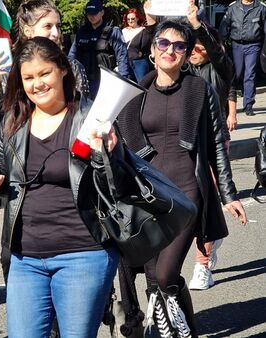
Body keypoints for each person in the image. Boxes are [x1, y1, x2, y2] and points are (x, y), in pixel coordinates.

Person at [0, 36, 122, 337]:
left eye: (44, 73)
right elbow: (7, 179)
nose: (37, 84)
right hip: (25, 258)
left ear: (62, 71)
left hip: (83, 254)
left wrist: (111, 153)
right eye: (28, 77)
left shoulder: (89, 118)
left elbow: (116, 186)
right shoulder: (13, 121)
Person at [117, 20, 247, 338]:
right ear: (152, 50)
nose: (170, 50)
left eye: (179, 46)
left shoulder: (199, 91)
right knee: (154, 280)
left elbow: (216, 143)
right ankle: (180, 329)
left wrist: (228, 194)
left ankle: (175, 328)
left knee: (163, 276)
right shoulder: (134, 95)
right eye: (163, 43)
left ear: (187, 54)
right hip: (147, 199)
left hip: (186, 196)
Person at [187, 3, 237, 291]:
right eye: (189, 46)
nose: (193, 50)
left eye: (198, 45)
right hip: (186, 145)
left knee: (206, 203)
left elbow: (216, 52)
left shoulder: (220, 68)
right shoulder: (183, 71)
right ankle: (212, 239)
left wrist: (197, 26)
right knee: (191, 205)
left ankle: (202, 264)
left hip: (214, 144)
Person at [0, 0, 89, 129]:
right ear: (28, 30)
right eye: (48, 26)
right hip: (24, 145)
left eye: (58, 26)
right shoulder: (11, 68)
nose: (56, 33)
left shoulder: (71, 66)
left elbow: (84, 115)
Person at [68, 0, 130, 99]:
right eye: (89, 14)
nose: (91, 16)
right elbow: (72, 55)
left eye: (94, 13)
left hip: (106, 81)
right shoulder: (82, 32)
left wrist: (124, 81)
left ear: (102, 13)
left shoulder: (113, 31)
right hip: (85, 81)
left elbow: (122, 57)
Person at [218, 0, 266, 116]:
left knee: (250, 73)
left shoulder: (261, 8)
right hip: (237, 45)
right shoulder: (233, 7)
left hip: (253, 45)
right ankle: (229, 102)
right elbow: (225, 27)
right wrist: (221, 43)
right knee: (237, 74)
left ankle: (248, 104)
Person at [122, 8, 152, 82]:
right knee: (127, 84)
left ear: (137, 18)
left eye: (132, 19)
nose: (130, 21)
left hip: (139, 62)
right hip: (125, 62)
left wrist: (140, 53)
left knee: (142, 84)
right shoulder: (123, 30)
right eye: (128, 19)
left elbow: (146, 46)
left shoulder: (143, 30)